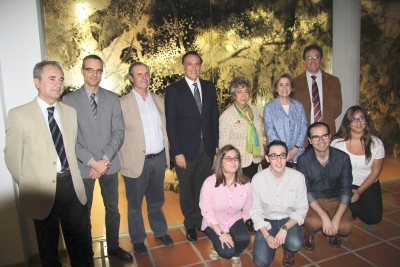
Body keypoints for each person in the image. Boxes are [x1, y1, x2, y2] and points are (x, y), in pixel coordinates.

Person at [4, 61, 93, 266]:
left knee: (81, 246)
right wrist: (30, 184)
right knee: (48, 249)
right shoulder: (19, 115)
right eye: (52, 78)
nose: (58, 83)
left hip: (72, 188)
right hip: (42, 192)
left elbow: (71, 148)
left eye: (61, 79)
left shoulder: (69, 112)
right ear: (37, 82)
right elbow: (12, 157)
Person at [62, 55, 131, 261]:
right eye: (90, 70)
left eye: (99, 70)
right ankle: (85, 252)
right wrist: (93, 162)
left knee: (113, 210)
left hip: (109, 164)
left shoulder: (112, 98)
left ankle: (113, 247)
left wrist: (104, 160)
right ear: (82, 71)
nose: (95, 74)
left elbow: (119, 131)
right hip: (85, 167)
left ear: (102, 72)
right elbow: (70, 138)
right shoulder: (68, 101)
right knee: (84, 214)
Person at [119, 62, 174, 255]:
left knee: (156, 200)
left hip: (158, 159)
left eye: (147, 73)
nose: (144, 77)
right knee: (134, 204)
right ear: (131, 78)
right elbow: (117, 134)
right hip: (136, 162)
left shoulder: (158, 100)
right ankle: (138, 239)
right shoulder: (122, 103)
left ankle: (160, 231)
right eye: (139, 74)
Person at [165, 51, 219, 241]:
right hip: (185, 150)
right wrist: (177, 152)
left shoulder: (209, 87)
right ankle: (189, 224)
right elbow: (171, 124)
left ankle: (200, 221)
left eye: (197, 64)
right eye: (189, 64)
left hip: (207, 147)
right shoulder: (173, 90)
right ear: (183, 66)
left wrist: (216, 145)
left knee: (202, 188)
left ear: (201, 66)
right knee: (187, 190)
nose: (194, 67)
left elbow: (214, 117)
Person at [250, 140, 308, 267]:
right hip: (267, 221)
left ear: (287, 157)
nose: (279, 160)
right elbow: (255, 210)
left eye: (282, 155)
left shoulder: (298, 177)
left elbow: (302, 208)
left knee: (294, 243)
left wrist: (285, 228)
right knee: (261, 262)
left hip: (288, 219)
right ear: (267, 158)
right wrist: (267, 236)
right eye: (273, 156)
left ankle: (288, 249)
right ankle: (273, 243)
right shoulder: (258, 179)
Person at [297, 122, 353, 252]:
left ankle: (334, 231)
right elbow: (307, 191)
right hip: (313, 200)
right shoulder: (303, 160)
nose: (321, 140)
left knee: (346, 228)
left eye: (324, 136)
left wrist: (336, 219)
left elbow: (346, 190)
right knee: (314, 224)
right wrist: (324, 217)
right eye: (316, 137)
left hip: (335, 199)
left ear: (330, 137)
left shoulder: (343, 158)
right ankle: (308, 234)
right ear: (310, 140)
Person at [331, 105, 384, 234]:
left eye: (361, 118)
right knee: (350, 212)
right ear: (348, 123)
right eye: (354, 119)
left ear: (366, 120)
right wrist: (346, 189)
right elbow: (333, 171)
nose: (358, 123)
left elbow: (375, 172)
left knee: (374, 217)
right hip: (345, 184)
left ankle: (365, 215)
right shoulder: (337, 144)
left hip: (368, 183)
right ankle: (345, 223)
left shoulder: (376, 143)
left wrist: (359, 192)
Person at [199, 145, 252, 267]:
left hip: (234, 218)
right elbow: (207, 213)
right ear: (220, 162)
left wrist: (239, 228)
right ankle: (216, 247)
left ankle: (236, 254)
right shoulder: (209, 183)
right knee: (226, 252)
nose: (233, 162)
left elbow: (247, 210)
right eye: (228, 158)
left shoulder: (246, 183)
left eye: (236, 158)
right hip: (214, 222)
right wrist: (221, 234)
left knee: (244, 238)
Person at [293, 44, 342, 140]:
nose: (313, 61)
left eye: (316, 57)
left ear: (321, 59)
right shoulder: (294, 83)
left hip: (326, 134)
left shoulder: (333, 81)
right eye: (309, 57)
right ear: (304, 60)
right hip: (303, 136)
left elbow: (337, 108)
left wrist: (324, 121)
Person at [219, 77, 264, 179]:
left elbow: (259, 134)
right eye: (240, 92)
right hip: (238, 162)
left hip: (255, 159)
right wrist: (227, 164)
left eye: (246, 91)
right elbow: (223, 143)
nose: (244, 95)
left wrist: (260, 154)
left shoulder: (254, 109)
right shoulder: (226, 115)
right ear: (234, 95)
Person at [263, 73, 307, 167]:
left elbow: (303, 128)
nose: (284, 88)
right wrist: (284, 152)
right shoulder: (269, 107)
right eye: (281, 84)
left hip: (297, 154)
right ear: (276, 88)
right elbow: (270, 131)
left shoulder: (299, 106)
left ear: (291, 88)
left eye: (287, 84)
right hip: (277, 155)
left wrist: (294, 150)